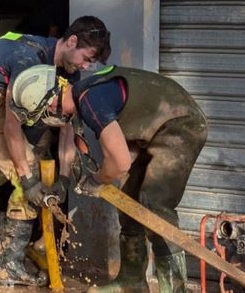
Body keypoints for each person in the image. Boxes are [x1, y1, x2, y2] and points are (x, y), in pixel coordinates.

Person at [0, 16, 111, 292]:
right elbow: (12, 124)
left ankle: (11, 266)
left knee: (34, 182)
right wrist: (25, 178)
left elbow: (66, 128)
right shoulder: (28, 59)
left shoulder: (68, 74)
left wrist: (63, 179)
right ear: (72, 41)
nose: (86, 66)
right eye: (87, 58)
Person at [11, 65, 208, 292]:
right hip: (155, 130)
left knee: (155, 206)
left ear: (53, 101)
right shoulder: (85, 94)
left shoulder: (91, 101)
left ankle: (176, 288)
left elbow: (121, 162)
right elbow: (124, 146)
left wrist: (98, 180)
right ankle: (131, 280)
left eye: (46, 113)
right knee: (129, 201)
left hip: (182, 124)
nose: (52, 119)